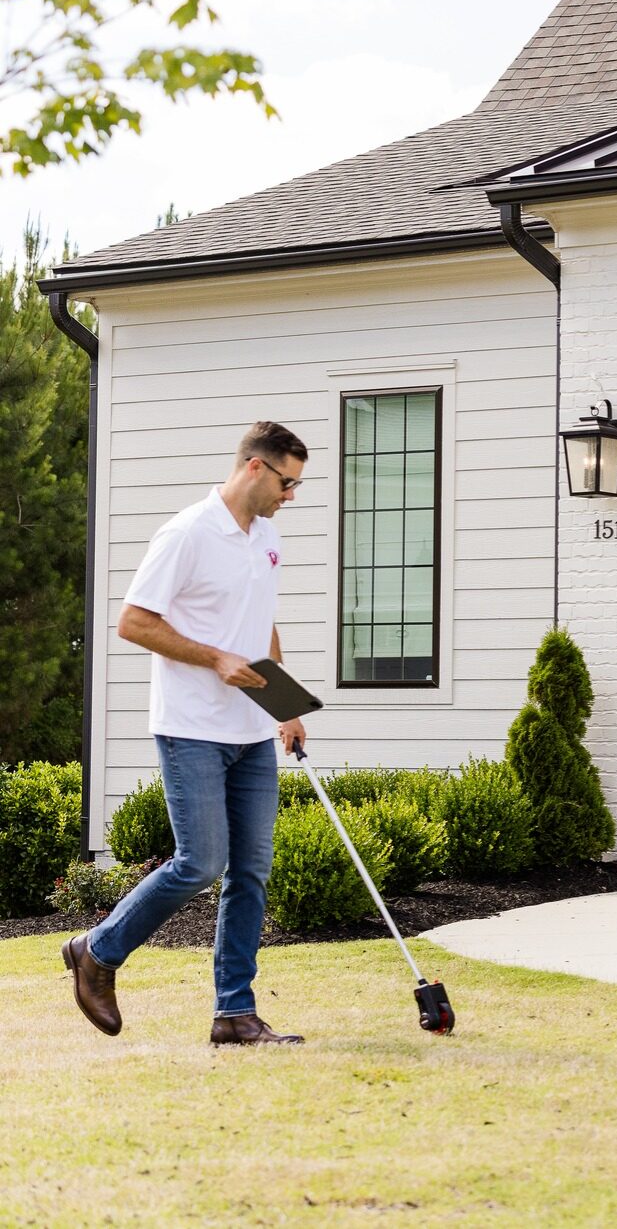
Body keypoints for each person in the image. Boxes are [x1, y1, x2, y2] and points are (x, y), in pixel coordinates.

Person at [62, 422, 311, 1046]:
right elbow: (134, 623)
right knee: (201, 862)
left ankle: (235, 1013)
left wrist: (284, 705)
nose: (291, 496)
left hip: (251, 732)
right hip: (191, 728)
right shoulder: (186, 533)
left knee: (250, 872)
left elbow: (261, 623)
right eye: (287, 483)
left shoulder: (267, 538)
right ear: (255, 467)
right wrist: (215, 659)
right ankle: (98, 950)